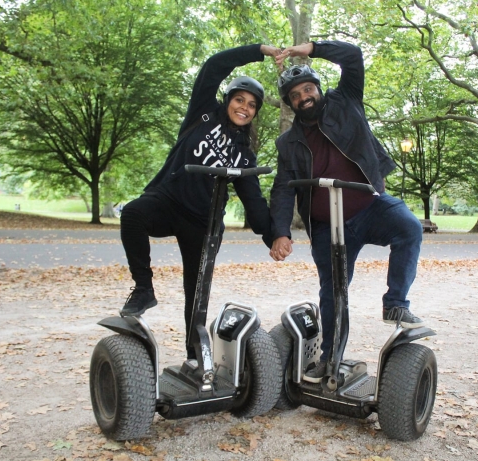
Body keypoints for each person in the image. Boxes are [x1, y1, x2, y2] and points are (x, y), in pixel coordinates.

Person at [269, 41, 425, 382]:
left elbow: (352, 57)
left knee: (409, 228)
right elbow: (282, 188)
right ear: (290, 103)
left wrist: (308, 48)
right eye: (295, 95)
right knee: (334, 291)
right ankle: (330, 360)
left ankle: (396, 302)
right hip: (327, 226)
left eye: (308, 89)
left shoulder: (346, 101)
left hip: (370, 207)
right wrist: (280, 232)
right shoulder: (287, 143)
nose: (303, 97)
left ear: (318, 89)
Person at [119, 44, 280, 359]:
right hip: (168, 201)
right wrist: (259, 50)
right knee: (133, 214)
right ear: (228, 100)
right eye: (239, 99)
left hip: (203, 224)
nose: (244, 107)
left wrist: (274, 237)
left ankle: (195, 358)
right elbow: (213, 67)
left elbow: (255, 203)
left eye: (251, 105)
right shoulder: (202, 113)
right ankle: (143, 289)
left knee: (195, 295)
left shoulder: (244, 154)